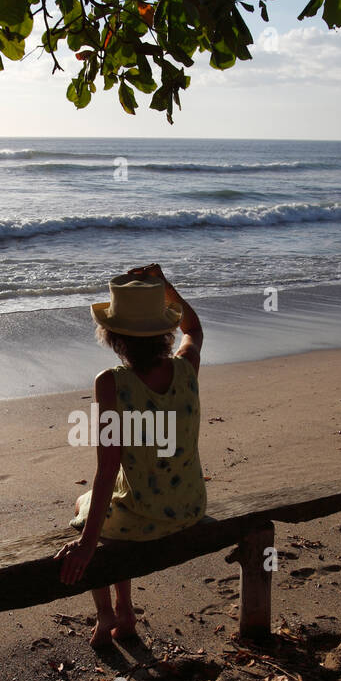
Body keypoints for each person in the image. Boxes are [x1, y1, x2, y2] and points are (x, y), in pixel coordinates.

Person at [55, 263, 207, 648]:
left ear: (112, 337)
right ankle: (124, 610)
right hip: (190, 506)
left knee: (86, 505)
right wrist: (164, 285)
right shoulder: (187, 368)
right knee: (110, 505)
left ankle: (110, 610)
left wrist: (87, 544)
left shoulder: (111, 383)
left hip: (145, 516)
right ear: (165, 331)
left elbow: (107, 470)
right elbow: (194, 329)